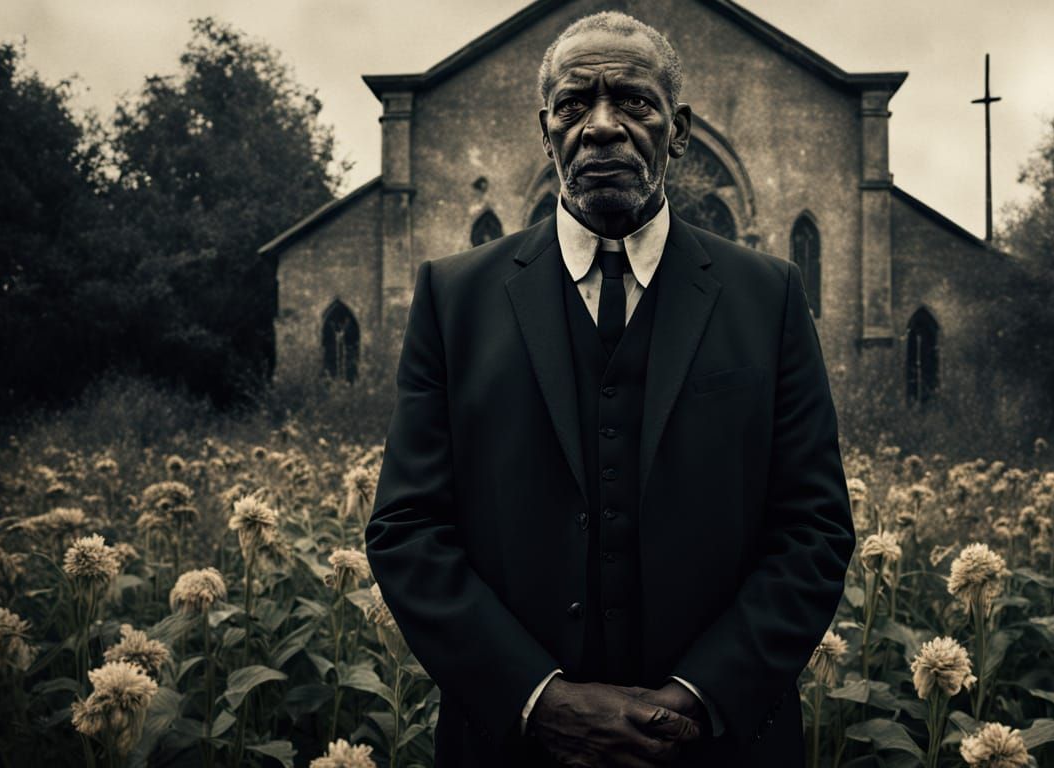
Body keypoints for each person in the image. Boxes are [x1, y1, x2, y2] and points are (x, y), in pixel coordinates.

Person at [365, 10, 854, 767]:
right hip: (513, 749)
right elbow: (407, 528)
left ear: (679, 128)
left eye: (633, 100)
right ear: (546, 129)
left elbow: (814, 530)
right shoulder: (452, 299)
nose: (601, 126)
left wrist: (700, 698)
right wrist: (535, 699)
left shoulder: (770, 297)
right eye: (573, 105)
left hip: (720, 748)